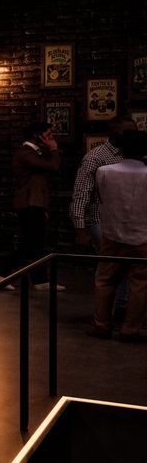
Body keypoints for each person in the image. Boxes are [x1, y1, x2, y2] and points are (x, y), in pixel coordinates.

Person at [72, 118, 139, 316]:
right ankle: (105, 311)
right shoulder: (96, 157)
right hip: (100, 219)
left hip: (126, 220)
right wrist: (80, 229)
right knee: (109, 266)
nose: (132, 135)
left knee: (127, 264)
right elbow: (81, 194)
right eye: (128, 131)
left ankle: (121, 306)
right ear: (114, 132)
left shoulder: (134, 155)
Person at [88, 130, 147, 342]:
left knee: (105, 280)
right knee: (140, 284)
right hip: (143, 235)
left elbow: (102, 197)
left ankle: (101, 325)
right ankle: (130, 329)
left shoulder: (104, 171)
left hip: (111, 232)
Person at [0, 121, 60, 288]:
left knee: (37, 243)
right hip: (28, 204)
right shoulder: (25, 153)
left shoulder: (35, 153)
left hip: (35, 203)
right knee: (31, 243)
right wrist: (54, 149)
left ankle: (40, 279)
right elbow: (53, 166)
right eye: (48, 136)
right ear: (37, 136)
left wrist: (44, 207)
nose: (51, 139)